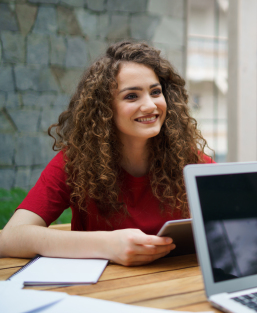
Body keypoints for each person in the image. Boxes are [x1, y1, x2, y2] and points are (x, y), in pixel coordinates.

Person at [0, 41, 213, 266]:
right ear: (105, 109)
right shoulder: (75, 162)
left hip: (177, 290)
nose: (150, 105)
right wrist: (107, 245)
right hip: (99, 293)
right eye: (132, 96)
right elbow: (10, 238)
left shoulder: (188, 159)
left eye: (155, 92)